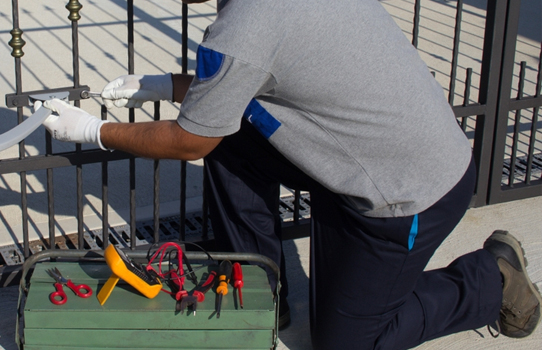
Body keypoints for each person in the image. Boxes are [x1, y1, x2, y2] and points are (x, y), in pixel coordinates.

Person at [35, 0, 542, 348]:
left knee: (349, 343)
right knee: (234, 140)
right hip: (357, 162)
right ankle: (259, 291)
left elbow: (192, 139)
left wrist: (94, 130)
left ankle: (492, 279)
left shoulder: (245, 29)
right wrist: (165, 83)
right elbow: (254, 80)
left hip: (405, 195)